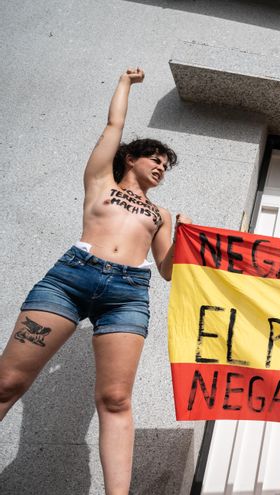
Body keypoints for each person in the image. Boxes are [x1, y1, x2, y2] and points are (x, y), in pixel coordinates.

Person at [0, 68, 191, 495]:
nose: (161, 167)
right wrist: (125, 83)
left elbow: (167, 269)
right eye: (154, 159)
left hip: (128, 295)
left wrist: (182, 239)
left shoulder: (160, 215)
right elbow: (114, 126)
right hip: (69, 280)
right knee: (8, 382)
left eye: (165, 165)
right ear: (129, 159)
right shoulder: (100, 181)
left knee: (116, 400)